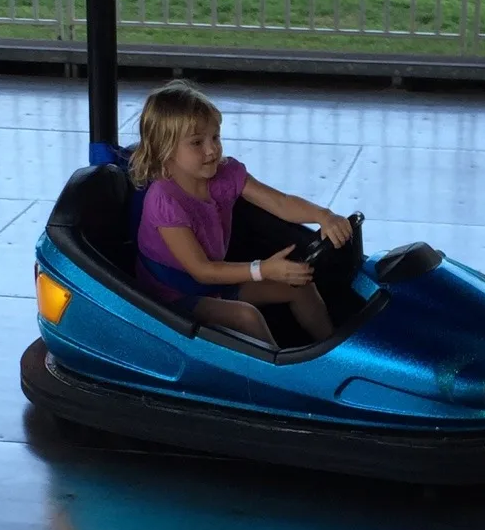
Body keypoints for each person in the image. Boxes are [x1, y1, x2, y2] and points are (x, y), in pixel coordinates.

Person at [130, 81, 352, 348]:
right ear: (164, 149)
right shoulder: (164, 202)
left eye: (216, 137)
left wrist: (323, 215)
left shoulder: (225, 174)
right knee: (246, 317)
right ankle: (281, 380)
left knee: (300, 285)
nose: (212, 150)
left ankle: (333, 356)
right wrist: (264, 269)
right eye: (197, 143)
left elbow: (280, 203)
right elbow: (202, 271)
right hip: (173, 295)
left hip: (215, 281)